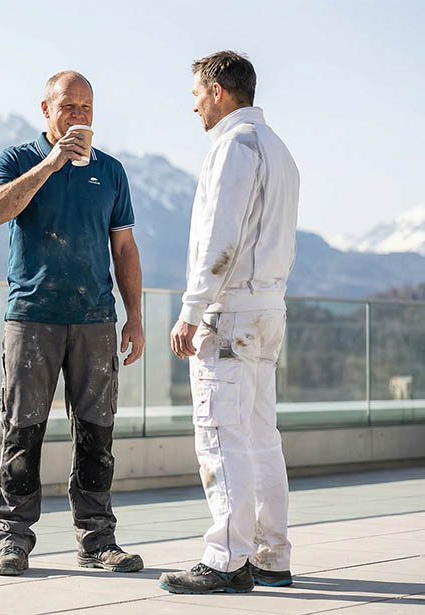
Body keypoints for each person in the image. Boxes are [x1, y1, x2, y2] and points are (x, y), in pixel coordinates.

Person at [0, 70, 145, 577]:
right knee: (22, 430)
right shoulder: (17, 160)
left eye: (87, 107)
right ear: (46, 110)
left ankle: (97, 541)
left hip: (95, 317)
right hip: (32, 318)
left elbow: (124, 247)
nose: (79, 115)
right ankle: (13, 540)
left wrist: (134, 317)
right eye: (68, 106)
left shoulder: (112, 172)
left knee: (97, 432)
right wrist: (50, 165)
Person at [159, 51, 300, 594]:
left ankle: (226, 559)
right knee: (262, 436)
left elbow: (221, 240)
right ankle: (271, 555)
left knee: (219, 434)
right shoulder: (279, 150)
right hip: (268, 309)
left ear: (218, 91)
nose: (192, 103)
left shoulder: (233, 148)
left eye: (197, 92)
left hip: (231, 311)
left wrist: (191, 312)